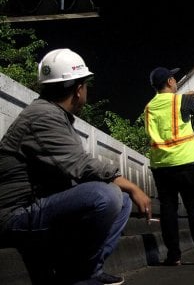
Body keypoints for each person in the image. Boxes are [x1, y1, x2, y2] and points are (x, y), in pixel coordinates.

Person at [0, 48, 152, 285]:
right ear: (78, 89)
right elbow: (81, 165)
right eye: (85, 85)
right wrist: (133, 186)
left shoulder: (53, 115)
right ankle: (77, 276)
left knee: (119, 199)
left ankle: (88, 271)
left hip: (35, 207)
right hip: (14, 216)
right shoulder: (43, 116)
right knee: (107, 195)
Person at [144, 67, 194, 265]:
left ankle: (174, 256)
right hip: (186, 162)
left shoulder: (148, 107)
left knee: (168, 211)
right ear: (171, 82)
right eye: (174, 79)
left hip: (161, 165)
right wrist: (188, 98)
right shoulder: (182, 100)